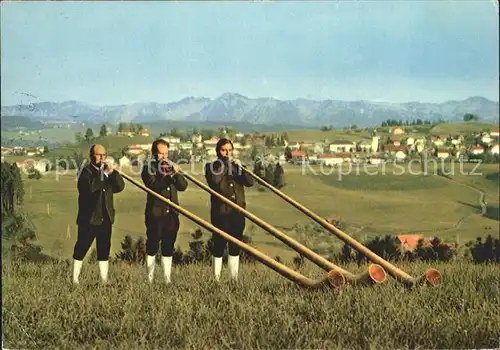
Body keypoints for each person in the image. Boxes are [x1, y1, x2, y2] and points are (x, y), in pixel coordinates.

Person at [73, 144, 125, 284]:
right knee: (82, 247)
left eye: (104, 155)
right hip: (89, 219)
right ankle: (74, 279)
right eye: (99, 155)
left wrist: (113, 173)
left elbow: (120, 187)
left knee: (104, 249)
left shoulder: (106, 171)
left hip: (105, 218)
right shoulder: (85, 172)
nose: (102, 158)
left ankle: (104, 280)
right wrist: (106, 174)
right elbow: (91, 187)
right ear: (91, 156)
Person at [205, 138, 254, 282]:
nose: (227, 153)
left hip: (238, 213)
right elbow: (215, 181)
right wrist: (225, 164)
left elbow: (250, 182)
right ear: (217, 151)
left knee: (235, 246)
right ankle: (216, 279)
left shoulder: (237, 166)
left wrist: (242, 168)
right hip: (221, 213)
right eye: (224, 150)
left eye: (230, 150)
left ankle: (234, 279)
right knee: (219, 246)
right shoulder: (211, 167)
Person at [141, 139, 188, 283]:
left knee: (168, 245)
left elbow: (183, 186)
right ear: (154, 154)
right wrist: (169, 176)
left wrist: (176, 174)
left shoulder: (170, 166)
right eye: (160, 154)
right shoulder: (148, 168)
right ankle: (149, 279)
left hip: (172, 214)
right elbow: (155, 186)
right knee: (153, 245)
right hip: (155, 214)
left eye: (166, 153)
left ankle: (167, 279)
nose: (164, 157)